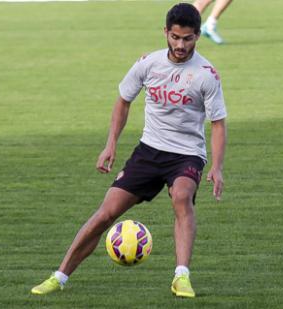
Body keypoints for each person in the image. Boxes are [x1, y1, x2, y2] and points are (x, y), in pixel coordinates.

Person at [30, 3, 227, 299]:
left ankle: (181, 276)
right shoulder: (149, 64)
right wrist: (110, 144)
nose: (180, 45)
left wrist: (217, 166)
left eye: (187, 39)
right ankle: (59, 276)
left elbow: (218, 123)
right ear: (165, 32)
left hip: (187, 154)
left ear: (198, 36)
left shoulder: (206, 74)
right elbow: (123, 100)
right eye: (175, 37)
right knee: (105, 214)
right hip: (148, 152)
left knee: (182, 197)